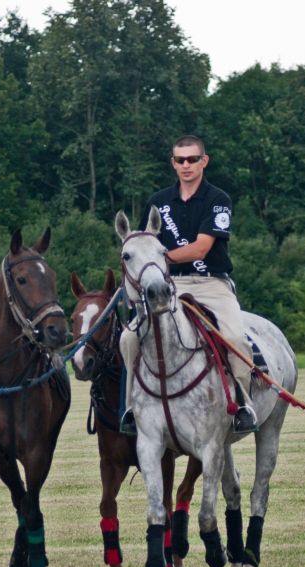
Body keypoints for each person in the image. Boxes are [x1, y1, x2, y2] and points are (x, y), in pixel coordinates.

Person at [119, 134, 257, 435]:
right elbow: (143, 245)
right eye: (180, 160)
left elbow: (201, 248)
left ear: (203, 161)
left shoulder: (218, 200)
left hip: (211, 283)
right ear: (173, 163)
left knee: (235, 339)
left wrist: (160, 256)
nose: (186, 165)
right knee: (129, 339)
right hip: (169, 286)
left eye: (192, 159)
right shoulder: (157, 202)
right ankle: (131, 408)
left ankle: (242, 404)